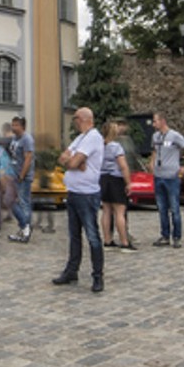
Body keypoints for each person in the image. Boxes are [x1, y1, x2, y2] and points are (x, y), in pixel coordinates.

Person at [54, 107, 106, 292]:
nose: (74, 122)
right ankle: (72, 270)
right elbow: (64, 158)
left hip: (87, 194)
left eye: (75, 118)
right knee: (74, 235)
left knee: (92, 235)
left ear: (83, 119)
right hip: (74, 192)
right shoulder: (80, 138)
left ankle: (98, 276)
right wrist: (74, 161)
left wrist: (75, 161)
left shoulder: (93, 137)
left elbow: (73, 162)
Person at [148, 111, 184, 248]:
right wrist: (151, 162)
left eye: (155, 121)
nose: (153, 124)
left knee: (174, 208)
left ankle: (177, 236)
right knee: (162, 208)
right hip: (158, 175)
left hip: (171, 177)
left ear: (162, 121)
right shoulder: (155, 136)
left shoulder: (174, 136)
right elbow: (155, 151)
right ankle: (165, 235)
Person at [99, 121, 136, 251]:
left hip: (103, 178)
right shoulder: (116, 147)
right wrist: (128, 183)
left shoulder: (100, 146)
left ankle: (107, 240)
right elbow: (123, 166)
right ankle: (124, 242)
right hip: (115, 179)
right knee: (120, 211)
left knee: (106, 211)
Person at [6, 116, 35, 243]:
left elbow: (28, 158)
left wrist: (22, 176)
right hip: (14, 175)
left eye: (16, 125)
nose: (13, 127)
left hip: (22, 177)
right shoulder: (14, 138)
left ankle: (26, 229)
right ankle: (24, 227)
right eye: (12, 124)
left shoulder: (27, 139)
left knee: (24, 203)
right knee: (11, 201)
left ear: (22, 126)